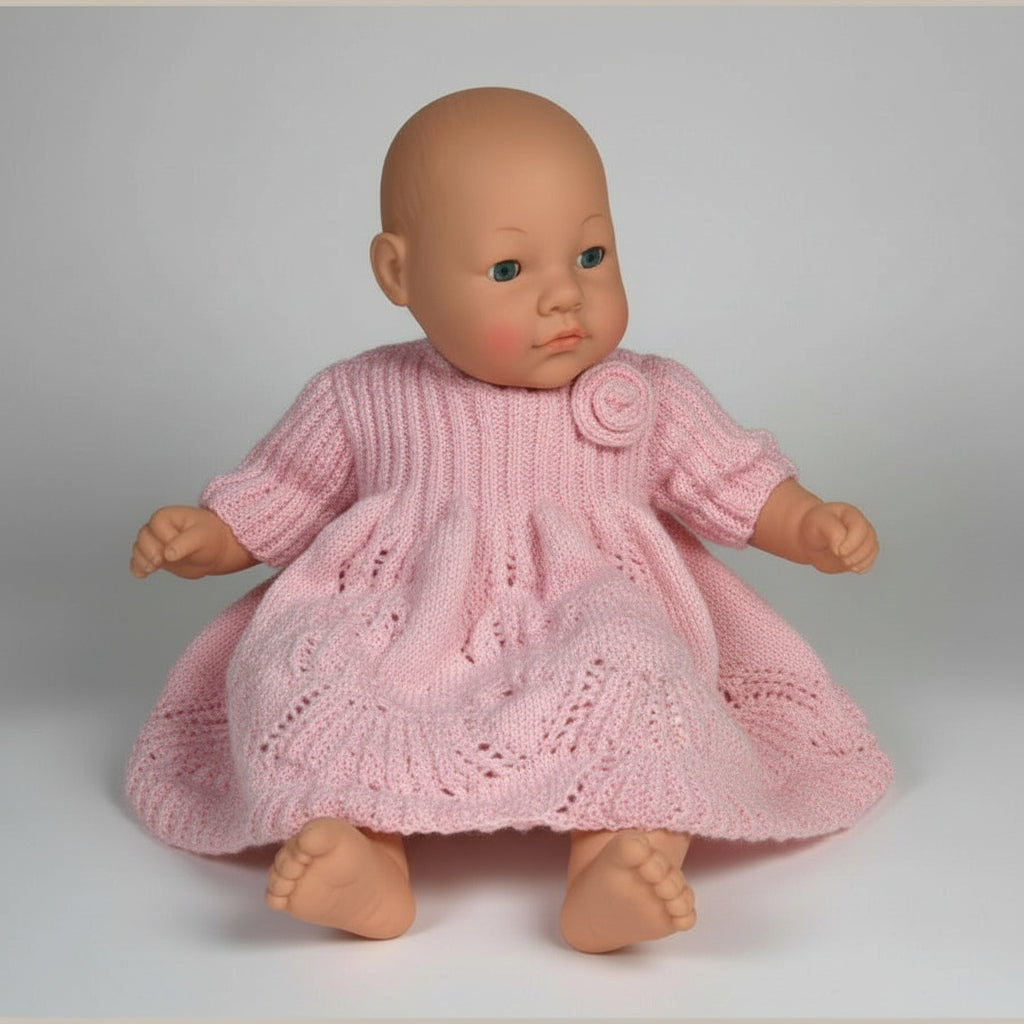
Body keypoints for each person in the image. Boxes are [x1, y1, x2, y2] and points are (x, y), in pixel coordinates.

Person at [128, 87, 890, 954]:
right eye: (508, 271)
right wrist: (210, 537)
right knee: (315, 686)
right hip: (396, 625)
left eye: (591, 255)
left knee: (644, 698)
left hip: (594, 620)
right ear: (399, 275)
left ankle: (622, 863)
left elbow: (733, 478)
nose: (564, 295)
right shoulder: (362, 395)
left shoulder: (652, 393)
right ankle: (362, 860)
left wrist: (808, 523)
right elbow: (284, 492)